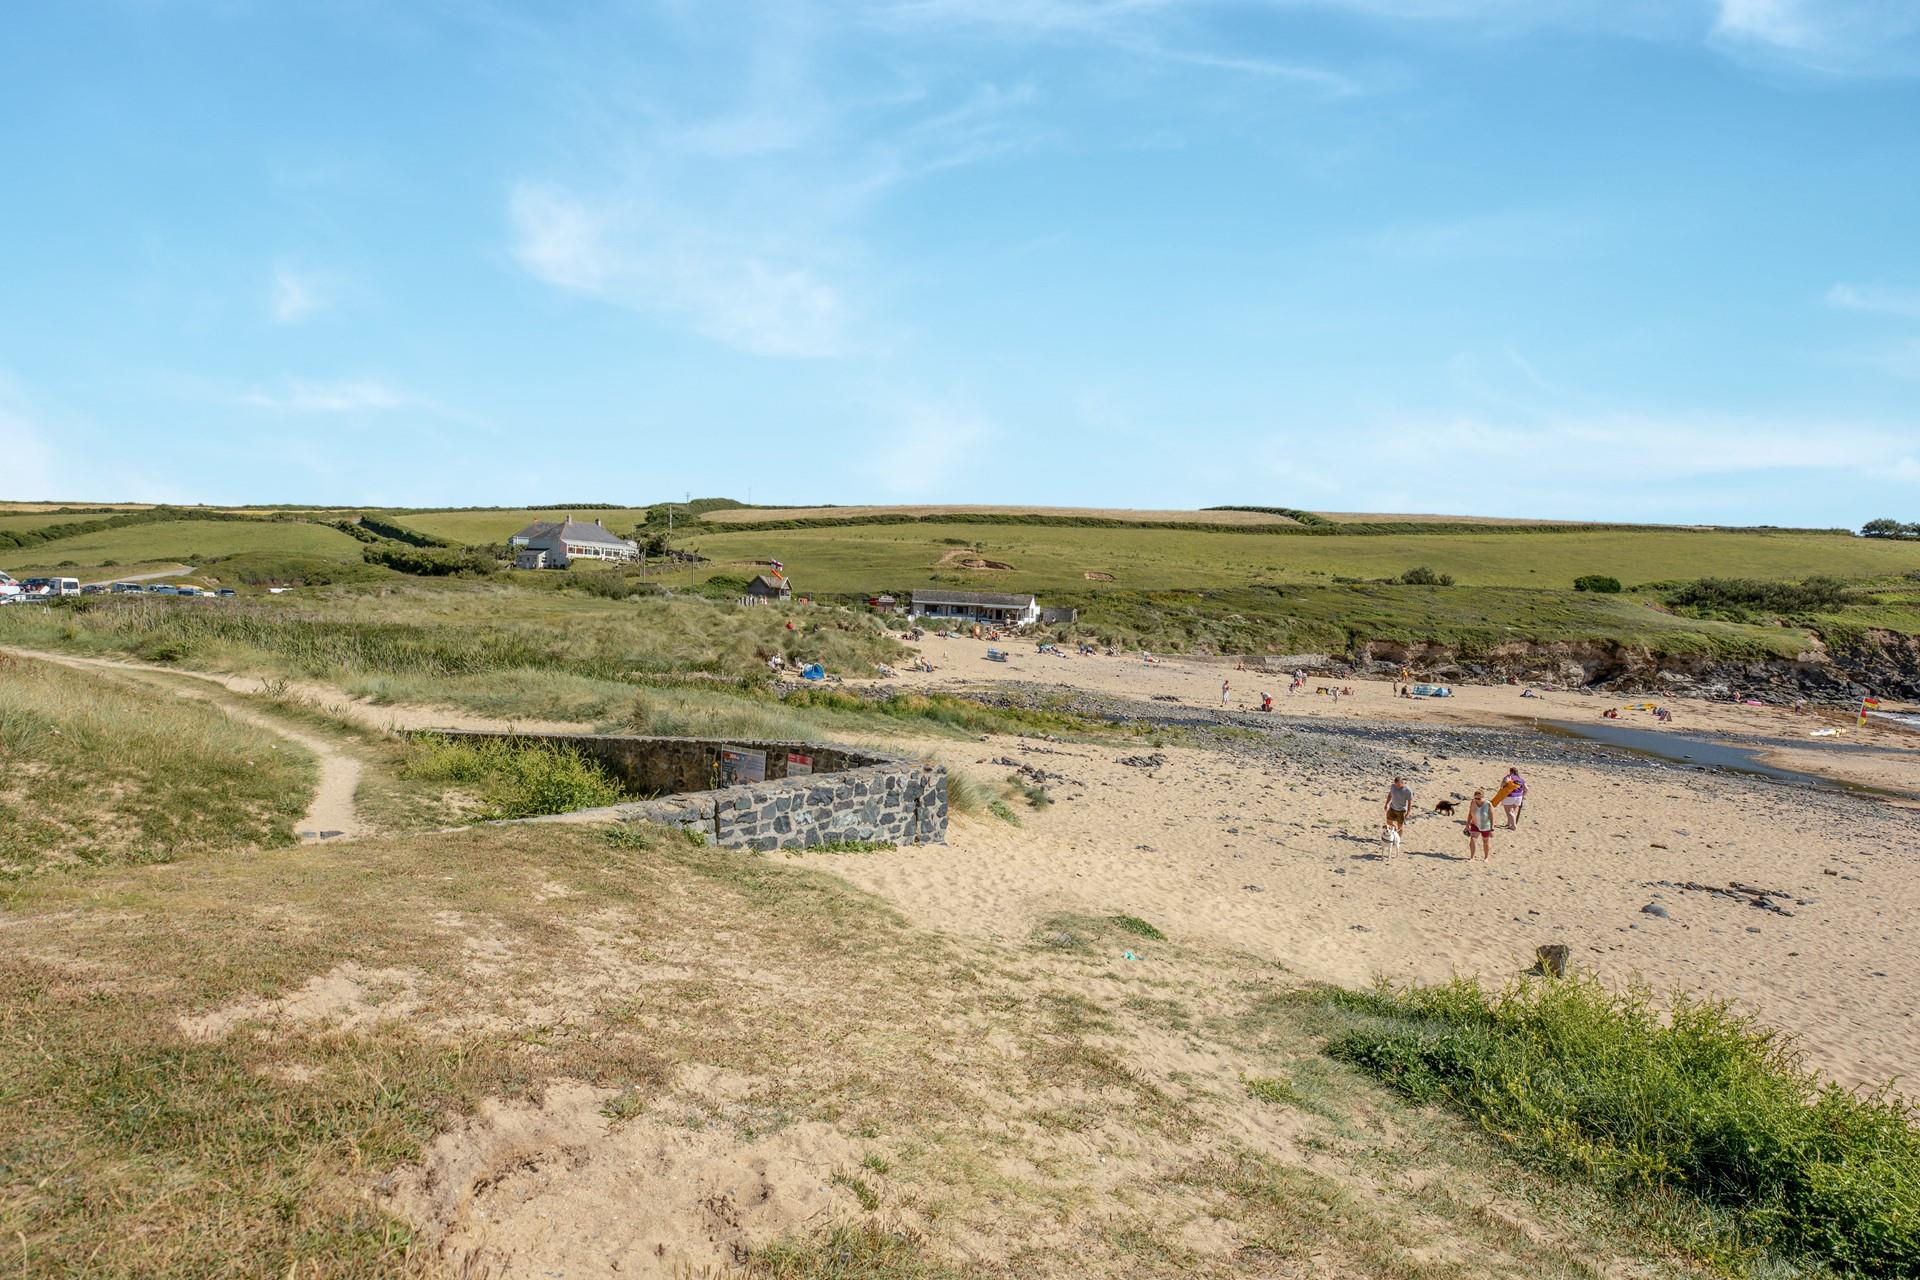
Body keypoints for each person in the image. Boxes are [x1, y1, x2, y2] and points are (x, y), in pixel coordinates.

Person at [1465, 789, 1494, 859]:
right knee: (1472, 840)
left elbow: (1491, 816)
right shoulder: (1473, 802)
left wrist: (1492, 828)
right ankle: (1471, 857)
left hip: (1485, 826)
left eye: (1479, 798)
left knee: (1485, 842)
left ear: (1483, 797)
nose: (1477, 800)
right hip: (1475, 824)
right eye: (1476, 798)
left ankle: (1486, 858)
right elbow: (1470, 814)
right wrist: (1467, 824)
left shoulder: (1488, 804)